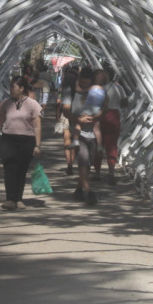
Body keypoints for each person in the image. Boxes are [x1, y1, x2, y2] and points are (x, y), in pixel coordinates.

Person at [0, 76, 42, 210]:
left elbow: (37, 126)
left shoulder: (32, 104)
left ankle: (18, 199)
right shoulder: (6, 104)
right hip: (8, 139)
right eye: (10, 86)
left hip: (26, 140)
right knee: (9, 168)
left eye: (13, 86)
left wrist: (38, 145)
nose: (11, 89)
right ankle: (10, 199)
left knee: (21, 170)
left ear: (22, 88)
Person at [67, 66, 101, 205]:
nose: (85, 82)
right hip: (79, 134)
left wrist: (95, 116)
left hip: (91, 135)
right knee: (83, 163)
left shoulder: (96, 94)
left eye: (88, 79)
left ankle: (78, 189)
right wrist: (79, 119)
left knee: (87, 165)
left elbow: (101, 112)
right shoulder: (72, 92)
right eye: (83, 79)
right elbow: (67, 112)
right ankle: (89, 192)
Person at [96, 68, 126, 185]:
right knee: (112, 146)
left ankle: (97, 172)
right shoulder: (119, 87)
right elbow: (125, 102)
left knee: (98, 144)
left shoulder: (99, 88)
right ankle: (111, 172)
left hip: (101, 115)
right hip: (115, 115)